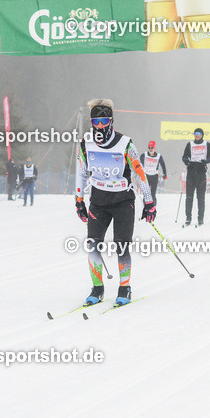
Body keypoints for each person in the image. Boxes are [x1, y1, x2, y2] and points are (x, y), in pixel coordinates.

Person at [75, 99, 155, 307]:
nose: (99, 126)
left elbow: (140, 173)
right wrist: (79, 201)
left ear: (111, 121)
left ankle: (124, 288)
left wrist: (149, 202)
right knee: (93, 245)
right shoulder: (86, 142)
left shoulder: (125, 143)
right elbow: (82, 172)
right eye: (96, 121)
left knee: (122, 247)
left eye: (104, 121)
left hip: (123, 201)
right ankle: (97, 288)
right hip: (98, 201)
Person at [182, 128, 210, 226]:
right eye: (195, 133)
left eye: (199, 133)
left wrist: (206, 161)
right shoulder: (190, 144)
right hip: (191, 173)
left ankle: (200, 218)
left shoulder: (207, 144)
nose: (197, 135)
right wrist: (186, 161)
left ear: (202, 135)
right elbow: (184, 156)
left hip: (201, 173)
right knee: (189, 197)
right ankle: (188, 218)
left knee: (201, 198)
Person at [142, 140, 167, 206]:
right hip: (146, 176)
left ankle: (153, 210)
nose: (150, 149)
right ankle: (145, 210)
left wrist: (165, 174)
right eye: (149, 147)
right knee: (146, 194)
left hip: (154, 176)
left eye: (152, 148)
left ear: (154, 148)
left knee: (153, 193)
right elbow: (139, 165)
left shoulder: (158, 156)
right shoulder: (144, 155)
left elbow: (163, 165)